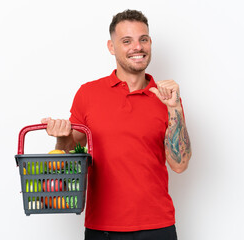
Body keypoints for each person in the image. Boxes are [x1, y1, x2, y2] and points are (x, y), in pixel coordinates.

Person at [42, 9, 191, 240]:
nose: (137, 47)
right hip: (103, 228)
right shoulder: (88, 93)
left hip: (157, 226)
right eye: (126, 41)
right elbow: (69, 149)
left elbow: (180, 164)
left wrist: (175, 108)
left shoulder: (167, 97)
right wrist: (61, 136)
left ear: (150, 43)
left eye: (143, 39)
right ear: (112, 47)